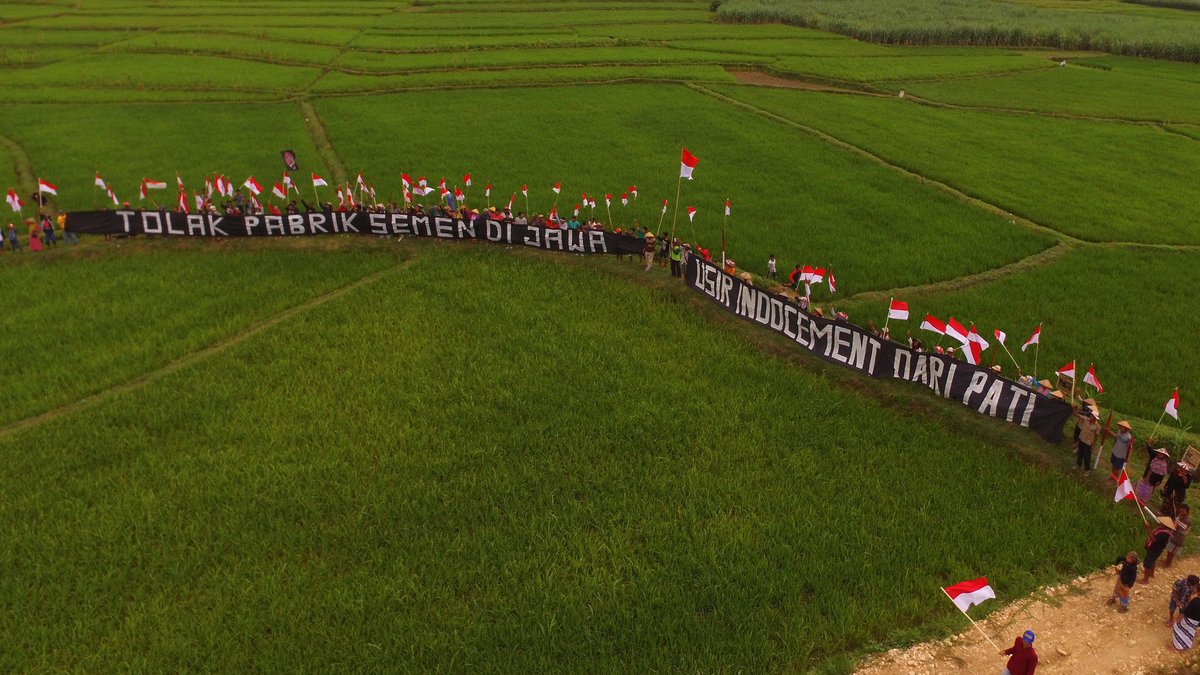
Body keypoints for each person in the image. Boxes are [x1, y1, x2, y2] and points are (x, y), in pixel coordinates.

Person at [1141, 516, 1174, 584]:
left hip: (1155, 549)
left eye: (1162, 522)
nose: (1160, 522)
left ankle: (1145, 579)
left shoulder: (1164, 534)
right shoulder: (1162, 529)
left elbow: (1153, 539)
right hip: (1156, 549)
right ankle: (1151, 573)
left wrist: (1148, 528)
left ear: (1165, 525)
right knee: (1153, 561)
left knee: (1148, 562)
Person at [1164, 504, 1191, 569]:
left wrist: (1175, 523)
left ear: (1187, 511)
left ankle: (1168, 563)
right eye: (1180, 511)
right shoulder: (1180, 517)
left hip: (1178, 538)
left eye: (1183, 511)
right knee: (1170, 550)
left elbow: (1177, 527)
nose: (1181, 512)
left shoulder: (1187, 520)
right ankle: (1168, 561)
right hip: (1174, 536)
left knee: (1172, 552)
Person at [1074, 408, 1100, 474]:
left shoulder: (1097, 426)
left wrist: (1093, 445)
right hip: (1082, 439)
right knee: (1080, 453)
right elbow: (1076, 415)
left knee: (1087, 456)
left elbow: (1096, 436)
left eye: (1093, 416)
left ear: (1095, 418)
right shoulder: (1085, 419)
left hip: (1088, 443)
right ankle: (1078, 464)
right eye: (1091, 415)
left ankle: (1087, 470)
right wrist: (1075, 410)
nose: (1091, 416)